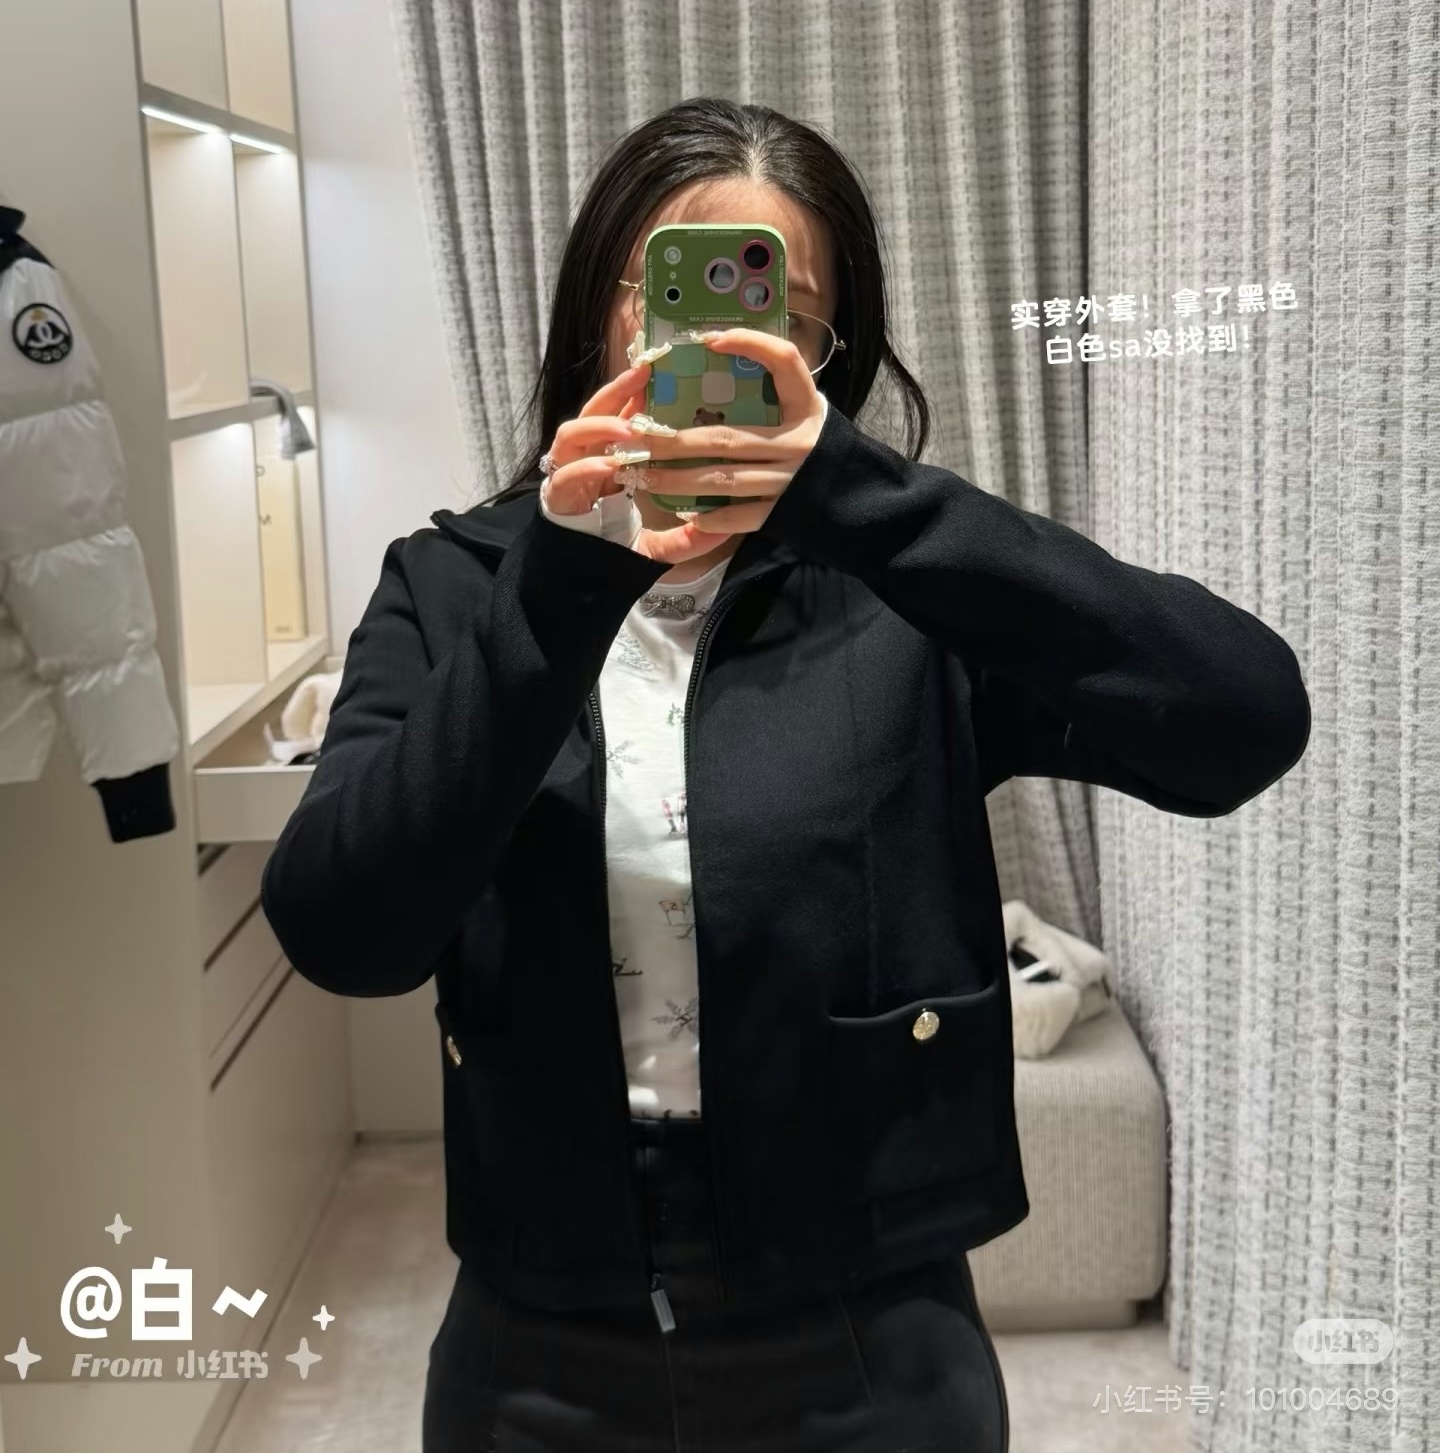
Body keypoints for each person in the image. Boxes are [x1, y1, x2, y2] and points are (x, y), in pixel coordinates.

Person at [260, 98, 1312, 1452]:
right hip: (537, 1337)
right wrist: (562, 585)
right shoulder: (458, 586)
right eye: (668, 294)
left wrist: (861, 501)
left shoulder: (902, 594)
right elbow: (343, 932)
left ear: (827, 355)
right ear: (598, 318)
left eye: (779, 312)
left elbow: (1242, 723)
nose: (711, 346)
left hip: (870, 1333)